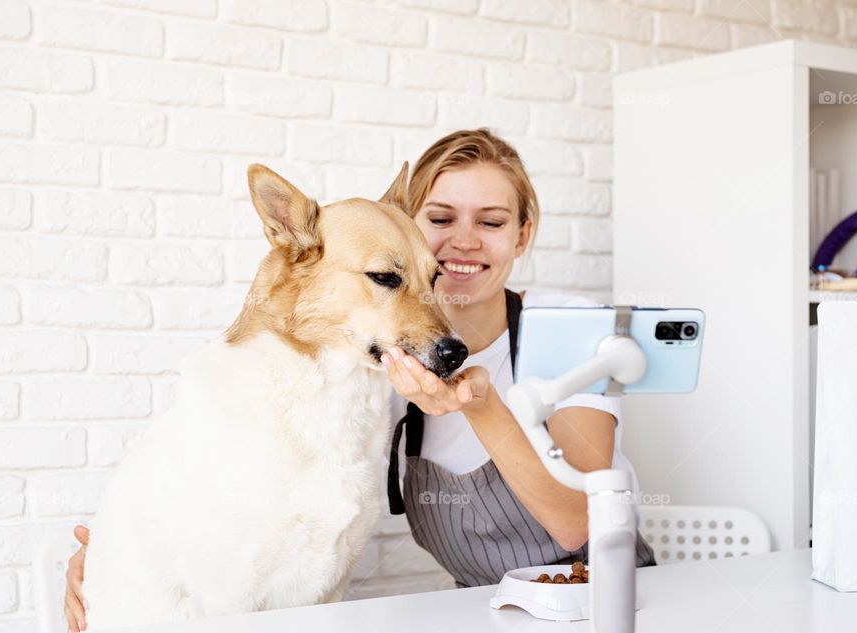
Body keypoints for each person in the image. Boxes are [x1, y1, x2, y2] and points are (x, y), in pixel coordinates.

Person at [63, 128, 655, 631]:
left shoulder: (573, 329)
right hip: (487, 613)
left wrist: (477, 404)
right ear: (403, 225)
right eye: (440, 219)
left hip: (613, 607)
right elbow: (192, 510)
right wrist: (105, 566)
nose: (464, 241)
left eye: (493, 221)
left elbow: (579, 520)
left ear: (523, 234)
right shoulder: (376, 368)